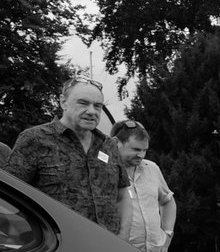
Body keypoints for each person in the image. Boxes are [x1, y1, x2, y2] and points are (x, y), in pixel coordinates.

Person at [5, 75, 132, 237]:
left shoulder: (109, 145)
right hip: (59, 250)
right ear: (63, 102)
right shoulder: (34, 139)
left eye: (97, 106)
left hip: (108, 249)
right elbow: (10, 197)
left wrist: (123, 236)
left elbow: (123, 196)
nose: (92, 111)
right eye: (83, 103)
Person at [114, 120, 176, 252]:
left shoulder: (151, 168)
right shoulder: (104, 171)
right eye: (136, 149)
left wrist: (167, 234)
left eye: (145, 150)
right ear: (116, 143)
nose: (141, 155)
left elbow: (168, 201)